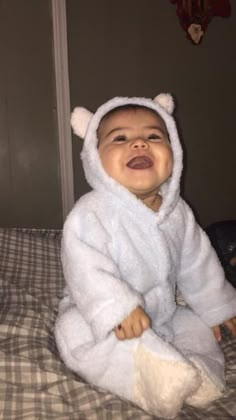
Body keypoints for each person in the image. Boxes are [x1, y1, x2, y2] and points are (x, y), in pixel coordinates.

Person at [55, 93, 236, 418]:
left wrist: (216, 306)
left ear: (174, 152)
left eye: (154, 136)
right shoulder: (91, 212)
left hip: (165, 309)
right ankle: (144, 375)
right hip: (101, 311)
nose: (139, 143)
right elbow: (85, 266)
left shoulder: (178, 212)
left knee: (196, 327)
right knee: (73, 331)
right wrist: (118, 308)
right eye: (120, 138)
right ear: (94, 158)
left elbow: (197, 263)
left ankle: (198, 373)